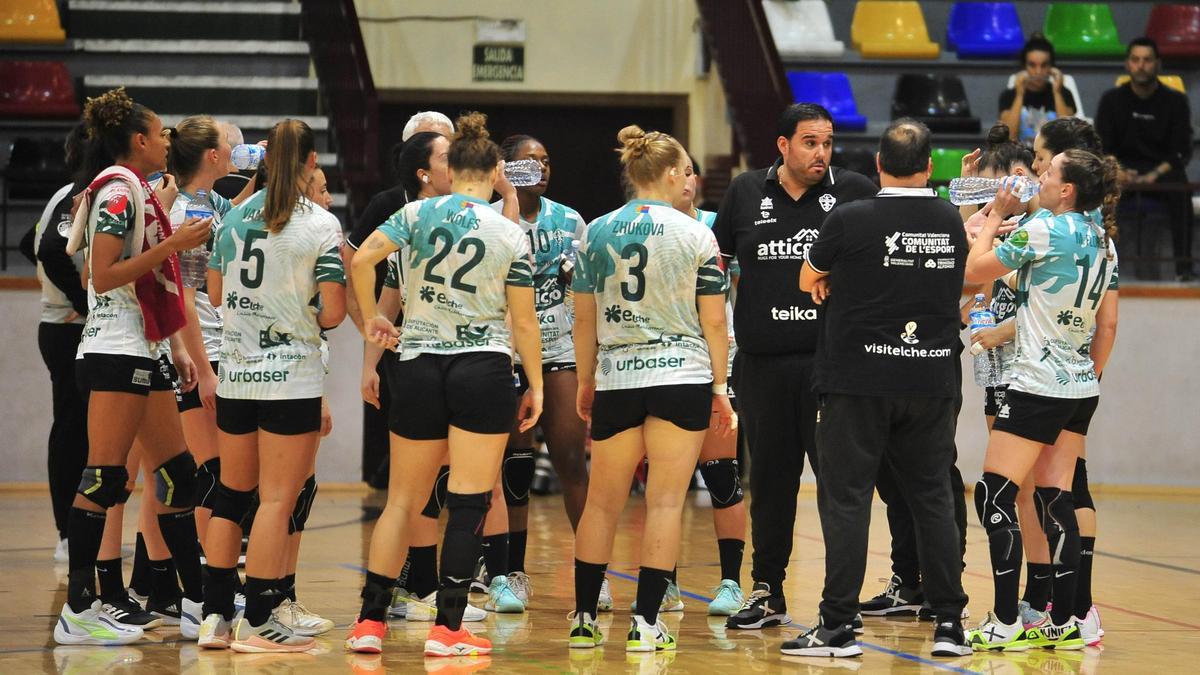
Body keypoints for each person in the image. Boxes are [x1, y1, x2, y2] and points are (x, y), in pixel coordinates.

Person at [345, 111, 542, 657]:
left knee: (402, 502)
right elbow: (524, 322)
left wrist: (372, 321)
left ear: (451, 169)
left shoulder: (414, 212)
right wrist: (537, 385)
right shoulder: (509, 230)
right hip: (481, 367)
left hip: (418, 363)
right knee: (469, 499)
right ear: (495, 169)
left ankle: (368, 623)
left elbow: (361, 260)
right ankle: (448, 628)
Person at [784, 119, 970, 658]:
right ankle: (950, 625)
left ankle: (838, 627)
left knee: (847, 501)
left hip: (856, 382)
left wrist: (840, 278)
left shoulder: (850, 217)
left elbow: (804, 278)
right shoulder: (949, 222)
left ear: (877, 167)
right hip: (932, 378)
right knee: (932, 497)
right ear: (931, 167)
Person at [54, 87, 211, 646]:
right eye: (162, 132)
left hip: (141, 348)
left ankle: (197, 604)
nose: (169, 140)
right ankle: (78, 608)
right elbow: (103, 274)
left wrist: (176, 348)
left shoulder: (138, 191)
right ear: (139, 140)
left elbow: (145, 282)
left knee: (178, 473)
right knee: (105, 476)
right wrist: (179, 240)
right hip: (112, 349)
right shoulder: (118, 191)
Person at [567, 124, 732, 653]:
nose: (690, 178)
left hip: (618, 377)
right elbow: (715, 326)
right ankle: (645, 624)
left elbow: (584, 320)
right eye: (684, 170)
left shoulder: (594, 231)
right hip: (681, 376)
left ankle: (585, 618)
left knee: (601, 504)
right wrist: (721, 385)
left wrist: (587, 379)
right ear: (665, 174)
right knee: (664, 503)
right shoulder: (697, 234)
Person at [712, 103, 877, 630]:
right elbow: (716, 266)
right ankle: (767, 589)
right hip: (761, 366)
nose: (820, 154)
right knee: (772, 483)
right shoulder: (744, 191)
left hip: (830, 368)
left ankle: (839, 603)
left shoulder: (853, 191)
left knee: (837, 485)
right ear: (782, 145)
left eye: (827, 143)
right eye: (809, 142)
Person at [198, 118, 346, 652]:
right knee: (278, 500)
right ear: (310, 163)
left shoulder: (233, 217)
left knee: (231, 495)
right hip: (290, 380)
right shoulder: (320, 225)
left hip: (235, 374)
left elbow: (214, 294)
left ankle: (215, 617)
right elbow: (331, 314)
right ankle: (259, 618)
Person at [963, 148, 1120, 652]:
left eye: (1049, 173)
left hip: (1036, 382)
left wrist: (996, 218)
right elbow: (1044, 289)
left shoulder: (1044, 229)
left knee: (994, 493)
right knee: (1058, 498)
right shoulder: (1103, 241)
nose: (1040, 178)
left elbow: (974, 272)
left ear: (1067, 189)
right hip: (1079, 385)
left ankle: (1006, 619)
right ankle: (1071, 619)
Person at [356, 131, 485, 624]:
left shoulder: (418, 220)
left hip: (432, 365)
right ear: (424, 174)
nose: (458, 164)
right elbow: (386, 287)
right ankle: (430, 596)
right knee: (431, 490)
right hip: (446, 363)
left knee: (433, 488)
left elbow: (383, 284)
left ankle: (410, 596)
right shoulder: (419, 220)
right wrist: (369, 362)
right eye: (446, 158)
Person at [490, 133, 590, 607]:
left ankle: (594, 572)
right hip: (507, 353)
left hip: (559, 350)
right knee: (515, 465)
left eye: (546, 161)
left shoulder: (570, 219)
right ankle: (511, 573)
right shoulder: (489, 218)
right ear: (505, 168)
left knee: (571, 459)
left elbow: (587, 289)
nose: (541, 168)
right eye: (529, 162)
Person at [665, 154, 747, 617]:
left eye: (692, 171)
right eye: (678, 172)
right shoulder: (642, 226)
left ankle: (732, 583)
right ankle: (666, 582)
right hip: (663, 367)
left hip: (718, 359)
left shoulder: (719, 225)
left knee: (723, 476)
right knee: (667, 484)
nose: (687, 180)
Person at [19, 124, 89, 565]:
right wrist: (83, 299)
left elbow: (28, 242)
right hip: (67, 328)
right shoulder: (73, 194)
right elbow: (45, 249)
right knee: (70, 429)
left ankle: (76, 530)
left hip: (68, 325)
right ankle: (67, 531)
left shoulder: (72, 192)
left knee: (81, 430)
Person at [1095, 36, 1194, 280]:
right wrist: (1119, 172)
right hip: (1122, 173)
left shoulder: (1176, 101)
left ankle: (1184, 269)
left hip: (1161, 173)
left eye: (1147, 60)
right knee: (1100, 189)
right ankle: (1102, 269)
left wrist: (1154, 174)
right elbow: (1101, 146)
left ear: (1158, 64)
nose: (1141, 65)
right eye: (1136, 60)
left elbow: (1182, 149)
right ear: (1128, 64)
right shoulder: (1111, 100)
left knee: (1181, 191)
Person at [999, 34, 1077, 146]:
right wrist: (1019, 95)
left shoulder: (1063, 93)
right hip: (1020, 157)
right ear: (1024, 66)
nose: (1038, 71)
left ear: (1051, 67)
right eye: (1032, 65)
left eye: (1044, 65)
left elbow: (1068, 137)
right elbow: (1009, 137)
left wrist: (1057, 93)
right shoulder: (1009, 96)